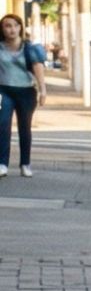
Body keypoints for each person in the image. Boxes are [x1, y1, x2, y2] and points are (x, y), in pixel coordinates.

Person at [0, 15, 50, 178]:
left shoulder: (29, 48)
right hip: (4, 91)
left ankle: (25, 164)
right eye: (7, 26)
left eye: (15, 25)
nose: (12, 29)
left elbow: (38, 68)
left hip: (26, 92)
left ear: (21, 27)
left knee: (25, 128)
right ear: (2, 29)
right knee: (3, 126)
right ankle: (2, 164)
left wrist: (43, 90)